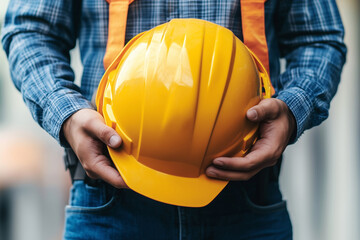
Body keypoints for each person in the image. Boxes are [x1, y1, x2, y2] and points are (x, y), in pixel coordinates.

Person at [1, 0, 346, 239]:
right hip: (109, 196)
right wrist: (68, 113)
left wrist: (291, 110)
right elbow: (31, 30)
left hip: (246, 200)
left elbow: (318, 38)